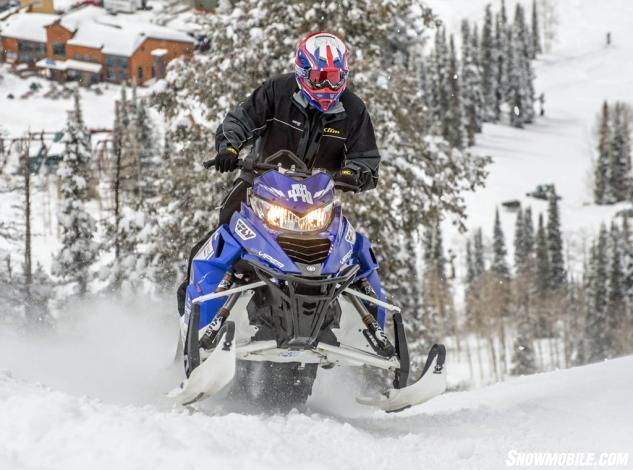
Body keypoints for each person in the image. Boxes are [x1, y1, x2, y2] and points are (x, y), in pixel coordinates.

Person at [177, 31, 382, 315]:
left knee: (356, 248)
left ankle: (377, 328)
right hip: (260, 186)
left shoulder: (353, 110)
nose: (327, 84)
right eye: (320, 76)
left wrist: (354, 173)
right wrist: (230, 148)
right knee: (218, 238)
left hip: (317, 199)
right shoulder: (277, 91)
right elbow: (242, 119)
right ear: (302, 71)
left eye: (334, 77)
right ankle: (196, 315)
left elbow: (367, 157)